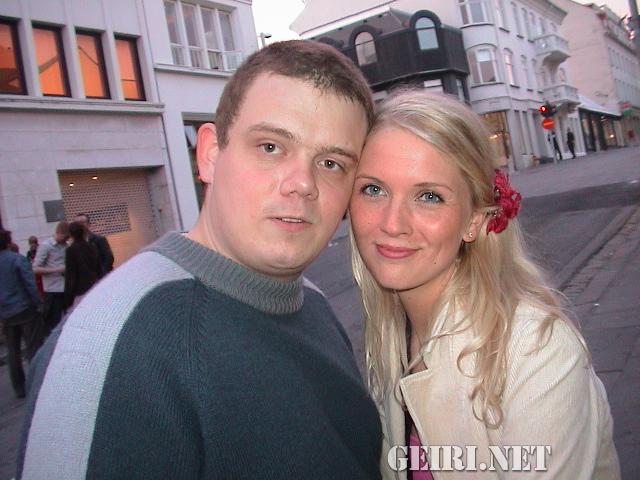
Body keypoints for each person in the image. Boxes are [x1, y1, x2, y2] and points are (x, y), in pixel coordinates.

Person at [18, 40, 382, 480]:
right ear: (209, 154)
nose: (302, 183)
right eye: (270, 147)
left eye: (331, 163)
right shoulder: (111, 347)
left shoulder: (313, 302)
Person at [349, 91, 620, 479]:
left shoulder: (535, 352)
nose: (393, 223)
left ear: (474, 220)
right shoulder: (390, 335)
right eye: (373, 189)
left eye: (429, 196)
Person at [0, 230, 44, 398]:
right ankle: (36, 382)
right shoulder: (17, 259)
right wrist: (38, 304)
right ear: (8, 242)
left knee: (13, 352)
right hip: (24, 308)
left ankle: (19, 388)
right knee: (33, 347)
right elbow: (29, 284)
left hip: (5, 312)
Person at [32, 221, 69, 334]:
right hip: (53, 290)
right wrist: (56, 270)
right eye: (64, 237)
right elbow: (35, 268)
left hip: (66, 288)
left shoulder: (66, 246)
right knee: (54, 322)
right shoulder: (46, 246)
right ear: (58, 232)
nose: (65, 240)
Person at [64, 221, 102, 312]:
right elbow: (99, 269)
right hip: (94, 287)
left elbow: (70, 276)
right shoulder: (93, 247)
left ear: (71, 234)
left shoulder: (70, 250)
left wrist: (67, 300)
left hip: (80, 290)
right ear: (84, 232)